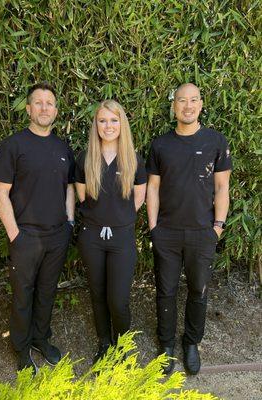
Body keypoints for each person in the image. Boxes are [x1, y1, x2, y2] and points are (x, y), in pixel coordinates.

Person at [146, 83, 232, 375]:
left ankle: (191, 343)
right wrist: (154, 227)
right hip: (167, 232)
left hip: (202, 232)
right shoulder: (160, 145)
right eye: (181, 101)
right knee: (166, 291)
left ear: (201, 104)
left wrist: (217, 227)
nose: (187, 106)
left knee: (198, 290)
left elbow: (222, 187)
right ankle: (167, 345)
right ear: (174, 107)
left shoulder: (215, 141)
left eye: (193, 100)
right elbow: (153, 188)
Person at [0, 82, 75, 375]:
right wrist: (15, 234)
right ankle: (22, 347)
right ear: (28, 109)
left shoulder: (62, 147)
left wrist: (69, 222)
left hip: (57, 235)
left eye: (49, 103)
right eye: (38, 103)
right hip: (26, 235)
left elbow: (69, 188)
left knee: (47, 291)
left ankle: (41, 338)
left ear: (55, 110)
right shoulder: (13, 145)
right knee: (23, 295)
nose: (44, 108)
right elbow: (1, 192)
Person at [75, 100, 147, 363]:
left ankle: (123, 344)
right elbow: (82, 196)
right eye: (103, 120)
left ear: (122, 124)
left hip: (122, 237)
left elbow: (138, 199)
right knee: (97, 292)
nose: (108, 126)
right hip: (91, 236)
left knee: (118, 299)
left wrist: (117, 219)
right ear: (96, 124)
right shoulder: (85, 158)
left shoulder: (134, 159)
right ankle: (104, 343)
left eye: (114, 120)